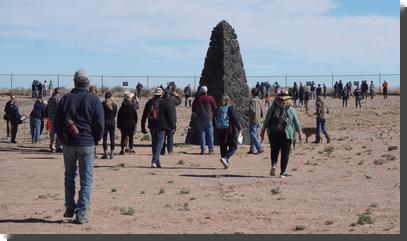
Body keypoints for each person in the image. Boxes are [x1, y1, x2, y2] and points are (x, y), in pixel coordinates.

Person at [54, 69, 104, 224]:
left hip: (69, 144)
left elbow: (56, 122)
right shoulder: (93, 99)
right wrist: (95, 139)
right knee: (86, 179)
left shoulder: (65, 98)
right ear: (88, 83)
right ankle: (81, 212)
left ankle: (70, 206)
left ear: (74, 81)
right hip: (87, 143)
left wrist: (62, 139)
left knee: (69, 175)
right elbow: (99, 124)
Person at [260, 89, 302, 178]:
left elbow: (267, 120)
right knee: (285, 153)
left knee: (274, 150)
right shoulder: (290, 109)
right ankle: (282, 172)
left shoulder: (273, 107)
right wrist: (300, 133)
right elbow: (296, 122)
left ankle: (273, 165)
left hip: (273, 132)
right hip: (286, 133)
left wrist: (263, 131)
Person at [141, 87, 176, 168]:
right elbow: (169, 115)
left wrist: (143, 125)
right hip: (162, 125)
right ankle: (154, 161)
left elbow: (144, 115)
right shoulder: (164, 102)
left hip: (152, 124)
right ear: (161, 94)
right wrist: (172, 126)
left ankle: (157, 162)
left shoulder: (150, 102)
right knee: (159, 143)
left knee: (154, 143)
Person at [215, 95, 241, 169]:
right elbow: (234, 119)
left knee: (223, 146)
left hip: (219, 130)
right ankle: (225, 158)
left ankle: (225, 161)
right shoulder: (230, 108)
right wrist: (239, 128)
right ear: (228, 100)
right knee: (233, 146)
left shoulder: (218, 109)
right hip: (229, 130)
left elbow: (214, 119)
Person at [191, 86, 217, 155]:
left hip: (200, 119)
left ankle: (202, 150)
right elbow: (215, 108)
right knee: (210, 135)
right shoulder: (210, 98)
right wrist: (211, 114)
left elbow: (193, 109)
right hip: (208, 119)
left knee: (202, 134)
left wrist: (196, 116)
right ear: (206, 91)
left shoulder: (197, 99)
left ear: (200, 91)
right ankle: (211, 150)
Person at [161, 89, 181, 155]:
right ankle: (170, 150)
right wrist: (177, 96)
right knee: (170, 136)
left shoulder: (161, 100)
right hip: (171, 120)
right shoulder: (172, 100)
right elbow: (179, 101)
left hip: (162, 121)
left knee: (162, 136)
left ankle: (162, 150)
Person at [246, 88, 264, 155]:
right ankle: (252, 149)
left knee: (252, 134)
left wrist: (246, 113)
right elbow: (262, 111)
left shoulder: (252, 100)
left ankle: (259, 148)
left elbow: (252, 110)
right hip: (258, 120)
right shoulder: (260, 100)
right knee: (255, 135)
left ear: (252, 93)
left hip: (253, 119)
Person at [101, 91, 117, 159]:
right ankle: (112, 154)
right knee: (112, 138)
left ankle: (105, 153)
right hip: (112, 122)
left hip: (105, 122)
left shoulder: (103, 104)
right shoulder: (114, 105)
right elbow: (115, 114)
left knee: (105, 138)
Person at [47, 88, 63, 152]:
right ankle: (58, 146)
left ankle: (51, 145)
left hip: (51, 117)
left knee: (52, 132)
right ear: (58, 93)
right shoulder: (57, 99)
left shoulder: (50, 99)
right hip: (57, 118)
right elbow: (59, 109)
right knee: (58, 132)